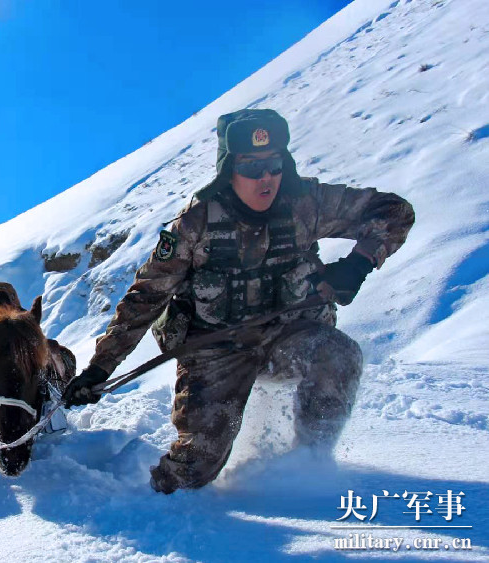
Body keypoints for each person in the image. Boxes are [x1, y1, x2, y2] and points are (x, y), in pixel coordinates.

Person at [62, 108, 415, 494]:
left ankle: (307, 470)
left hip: (288, 337)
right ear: (229, 170)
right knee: (192, 473)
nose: (266, 177)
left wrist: (359, 263)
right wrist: (99, 370)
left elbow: (394, 211)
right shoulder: (193, 226)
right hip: (216, 349)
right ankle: (149, 505)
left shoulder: (307, 202)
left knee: (339, 355)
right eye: (251, 167)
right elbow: (144, 299)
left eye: (274, 164)